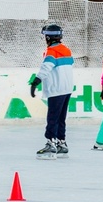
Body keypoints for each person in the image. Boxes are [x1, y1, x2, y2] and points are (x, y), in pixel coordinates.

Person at [29, 24, 74, 160]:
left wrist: (36, 81)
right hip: (67, 89)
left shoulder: (52, 51)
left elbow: (46, 67)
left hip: (56, 89)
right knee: (61, 117)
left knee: (53, 117)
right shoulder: (66, 49)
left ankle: (51, 144)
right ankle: (62, 143)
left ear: (48, 37)